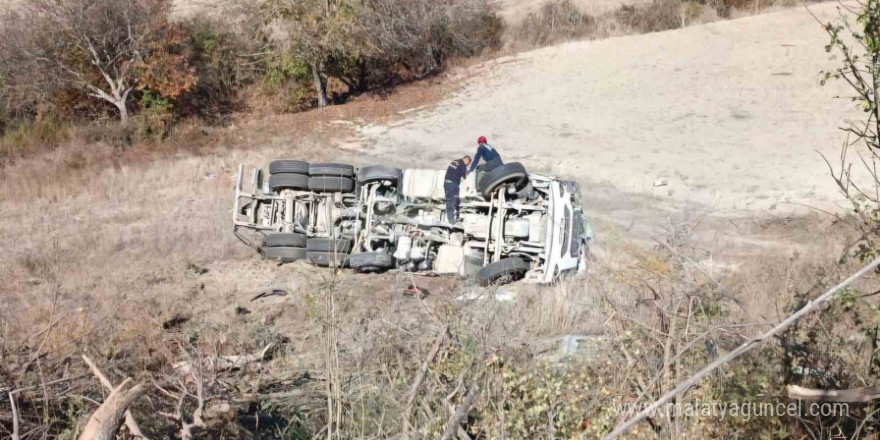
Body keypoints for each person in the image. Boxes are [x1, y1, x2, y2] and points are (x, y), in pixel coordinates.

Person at [444, 155, 472, 224]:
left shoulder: (454, 161)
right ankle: (453, 220)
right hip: (453, 185)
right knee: (454, 202)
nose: (468, 165)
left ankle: (451, 219)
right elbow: (465, 177)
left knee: (449, 201)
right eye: (468, 163)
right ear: (467, 160)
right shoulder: (463, 165)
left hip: (446, 183)